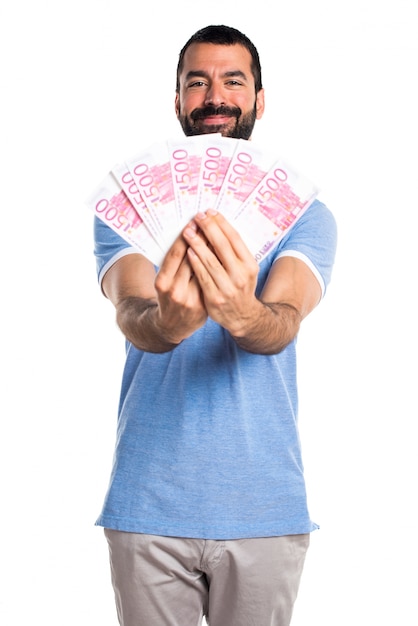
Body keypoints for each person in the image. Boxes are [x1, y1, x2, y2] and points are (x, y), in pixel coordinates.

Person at [93, 24, 337, 626]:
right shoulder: (127, 206)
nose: (215, 96)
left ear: (259, 98)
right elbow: (133, 313)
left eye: (234, 80)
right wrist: (167, 322)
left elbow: (280, 324)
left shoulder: (306, 215)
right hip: (147, 505)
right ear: (177, 101)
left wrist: (242, 313)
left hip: (263, 508)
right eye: (196, 82)